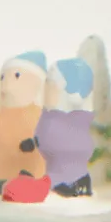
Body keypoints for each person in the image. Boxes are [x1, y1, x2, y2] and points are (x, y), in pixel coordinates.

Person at [0, 51, 48, 196]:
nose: (6, 85)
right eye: (3, 78)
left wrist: (33, 143)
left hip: (27, 175)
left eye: (16, 76)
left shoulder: (38, 116)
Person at [36, 58, 95, 197]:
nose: (45, 90)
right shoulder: (49, 117)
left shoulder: (77, 120)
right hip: (53, 178)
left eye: (50, 84)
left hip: (68, 181)